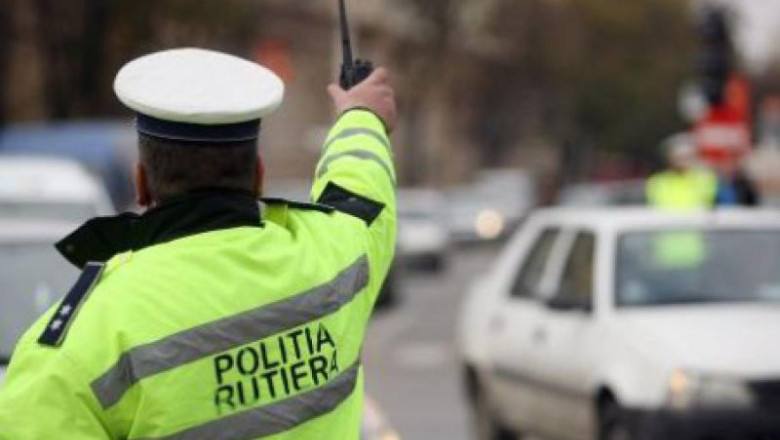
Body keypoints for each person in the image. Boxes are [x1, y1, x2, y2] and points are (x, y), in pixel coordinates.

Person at [0, 48, 397, 439]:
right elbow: (360, 181)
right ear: (258, 177)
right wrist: (361, 115)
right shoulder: (336, 256)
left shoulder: (76, 349)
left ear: (142, 183)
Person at [646, 135, 717, 211]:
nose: (683, 161)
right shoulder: (657, 181)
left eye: (688, 157)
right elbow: (659, 206)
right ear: (669, 158)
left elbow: (706, 203)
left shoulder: (705, 178)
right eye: (679, 157)